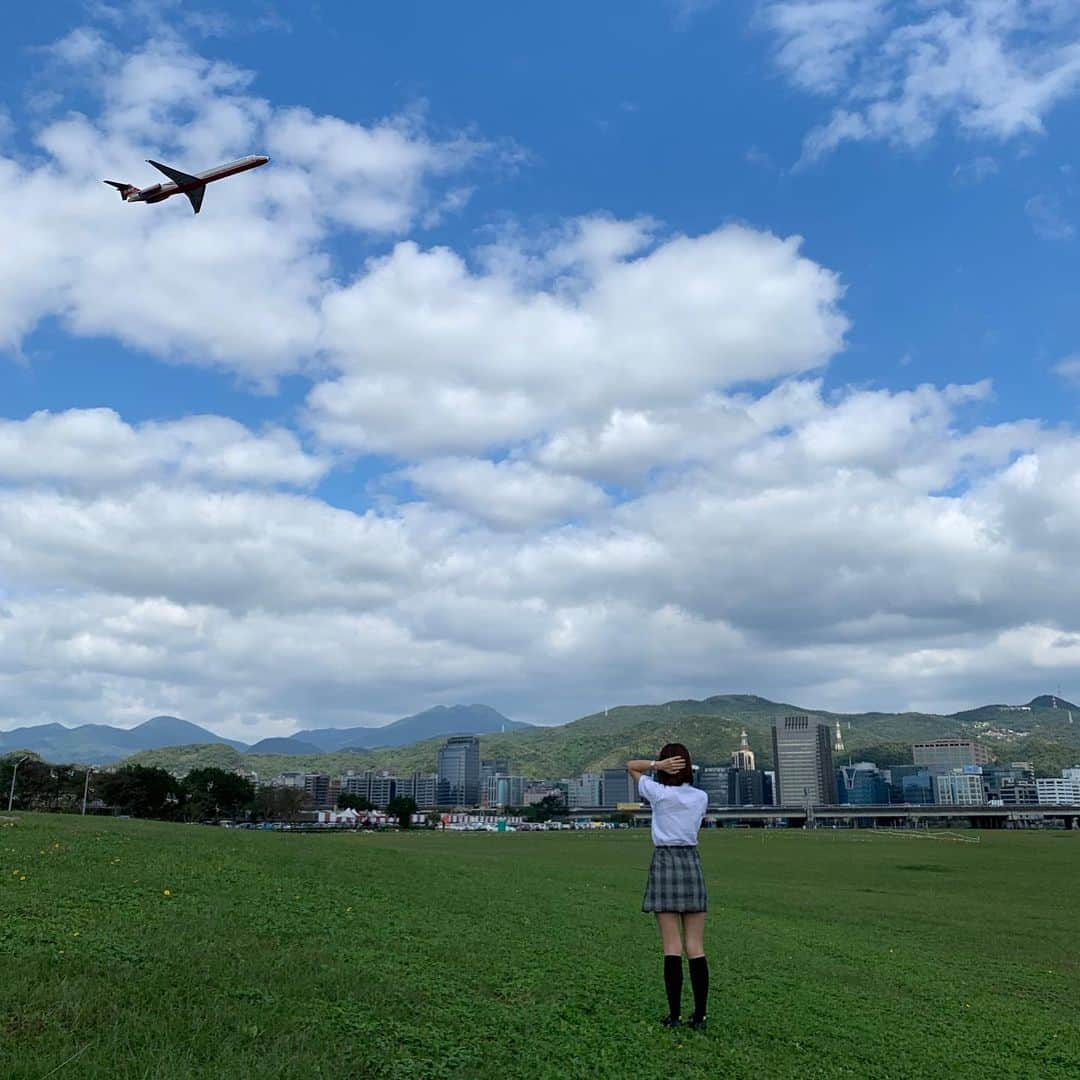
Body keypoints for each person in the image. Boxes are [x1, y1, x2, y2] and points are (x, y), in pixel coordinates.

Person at [627, 744, 709, 1030]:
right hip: (691, 863)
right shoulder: (701, 797)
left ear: (666, 765)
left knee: (671, 946)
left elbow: (631, 766)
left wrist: (656, 766)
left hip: (664, 862)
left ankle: (674, 1016)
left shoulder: (657, 793)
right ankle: (699, 1016)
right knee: (695, 946)